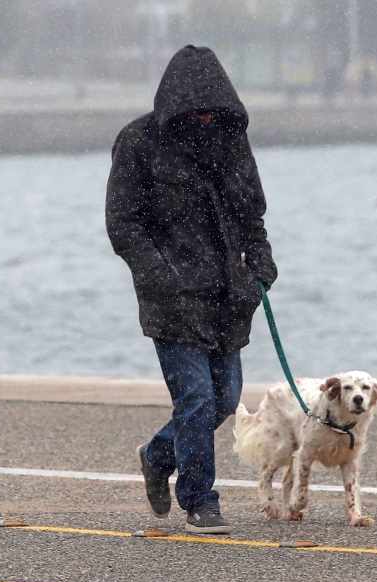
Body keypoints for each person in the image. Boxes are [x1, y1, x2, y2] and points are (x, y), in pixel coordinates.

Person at [105, 45, 277, 534]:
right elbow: (123, 223)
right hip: (172, 297)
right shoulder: (137, 141)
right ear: (175, 105)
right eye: (194, 110)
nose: (203, 118)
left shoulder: (230, 139)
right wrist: (159, 275)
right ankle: (201, 501)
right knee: (198, 399)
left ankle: (159, 456)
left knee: (225, 398)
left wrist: (261, 264)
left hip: (229, 295)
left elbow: (251, 212)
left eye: (211, 110)